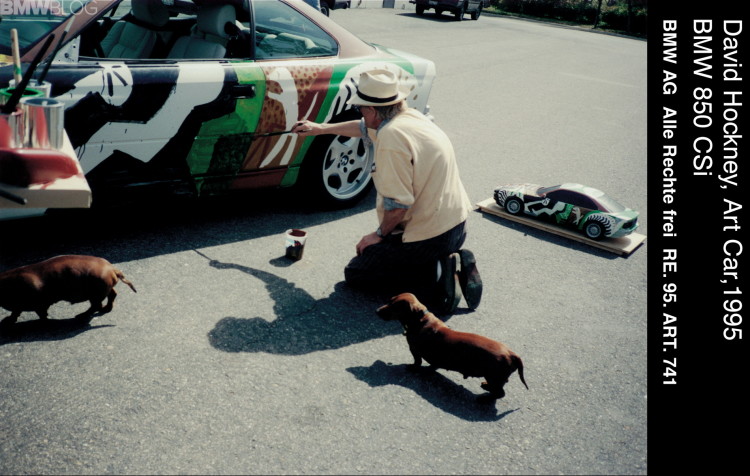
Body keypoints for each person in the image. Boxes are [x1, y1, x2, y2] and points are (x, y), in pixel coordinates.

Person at [292, 69, 481, 314]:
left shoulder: (391, 138)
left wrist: (377, 235)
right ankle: (440, 259)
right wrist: (320, 128)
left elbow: (398, 204)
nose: (359, 112)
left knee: (357, 273)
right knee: (378, 255)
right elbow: (362, 128)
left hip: (430, 237)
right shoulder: (409, 117)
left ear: (371, 110)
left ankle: (436, 278)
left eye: (361, 108)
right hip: (456, 225)